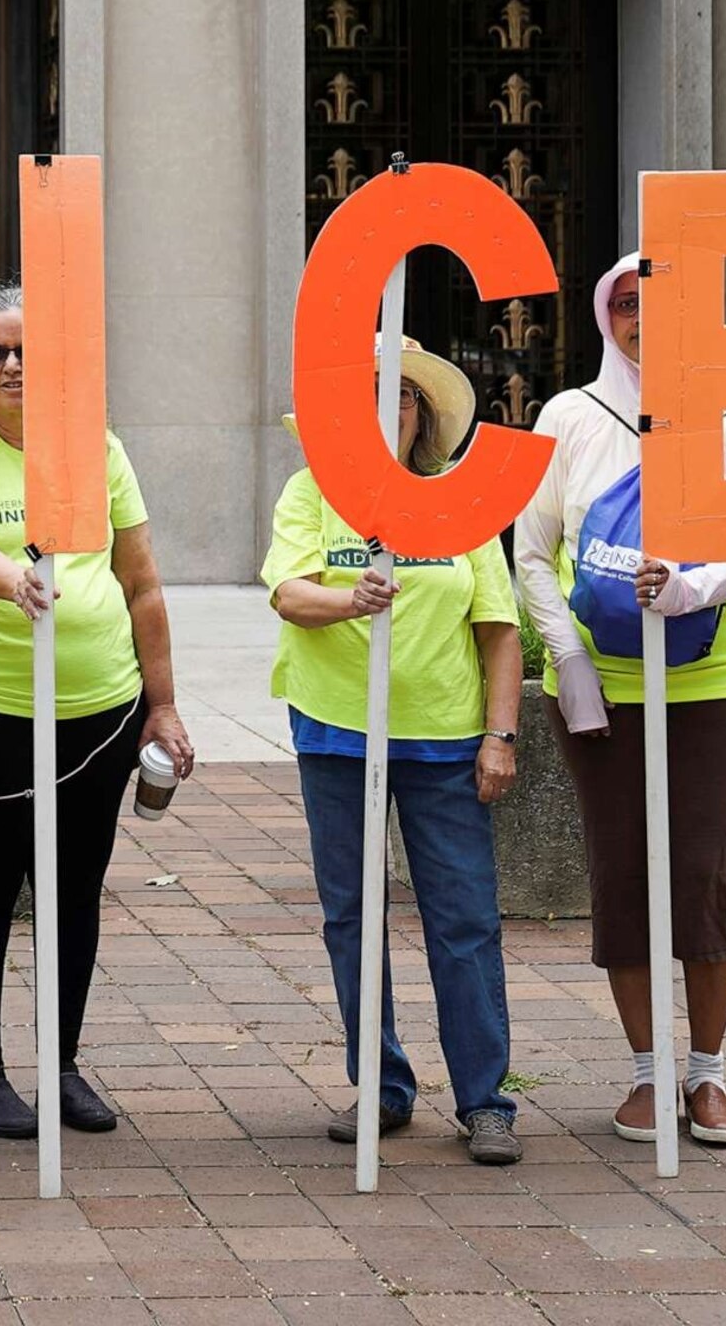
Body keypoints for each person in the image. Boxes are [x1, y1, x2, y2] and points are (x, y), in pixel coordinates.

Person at [0, 284, 193, 1139]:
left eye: (30, 351)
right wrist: (11, 578)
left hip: (98, 711)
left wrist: (163, 703)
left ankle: (59, 1065)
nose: (15, 365)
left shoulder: (97, 449)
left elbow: (140, 582)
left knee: (73, 890)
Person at [513, 251, 726, 1150]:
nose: (643, 319)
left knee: (705, 867)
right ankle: (645, 1071)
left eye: (660, 303)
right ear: (606, 317)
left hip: (720, 681)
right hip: (602, 689)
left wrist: (691, 591)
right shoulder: (569, 417)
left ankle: (707, 1074)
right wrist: (568, 658)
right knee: (623, 870)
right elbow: (531, 553)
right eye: (627, 304)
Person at [264, 341, 525, 1168]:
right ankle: (380, 1085)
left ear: (426, 414)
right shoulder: (312, 493)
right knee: (353, 917)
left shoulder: (459, 500)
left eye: (404, 394)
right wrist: (351, 599)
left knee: (464, 921)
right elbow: (287, 593)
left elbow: (500, 631)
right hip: (338, 732)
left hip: (446, 739)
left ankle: (485, 1100)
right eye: (374, 392)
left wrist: (501, 735)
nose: (390, 407)